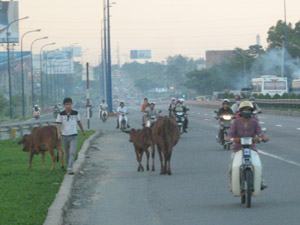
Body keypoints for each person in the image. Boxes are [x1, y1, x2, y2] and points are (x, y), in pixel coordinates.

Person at [229, 101, 268, 189]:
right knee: (231, 167)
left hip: (251, 148)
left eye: (248, 109)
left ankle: (261, 181)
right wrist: (231, 139)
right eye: (244, 109)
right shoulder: (235, 122)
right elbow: (230, 134)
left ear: (251, 111)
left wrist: (263, 137)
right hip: (237, 148)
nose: (247, 111)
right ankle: (232, 185)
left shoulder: (255, 122)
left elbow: (260, 133)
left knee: (258, 164)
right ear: (241, 111)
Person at [56, 97, 85, 175]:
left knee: (72, 152)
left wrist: (82, 131)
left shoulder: (76, 113)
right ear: (64, 105)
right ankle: (68, 165)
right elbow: (58, 124)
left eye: (69, 104)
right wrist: (58, 134)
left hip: (73, 135)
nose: (68, 106)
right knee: (67, 153)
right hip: (64, 136)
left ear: (72, 104)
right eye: (66, 104)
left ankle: (70, 168)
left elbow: (79, 122)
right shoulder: (60, 114)